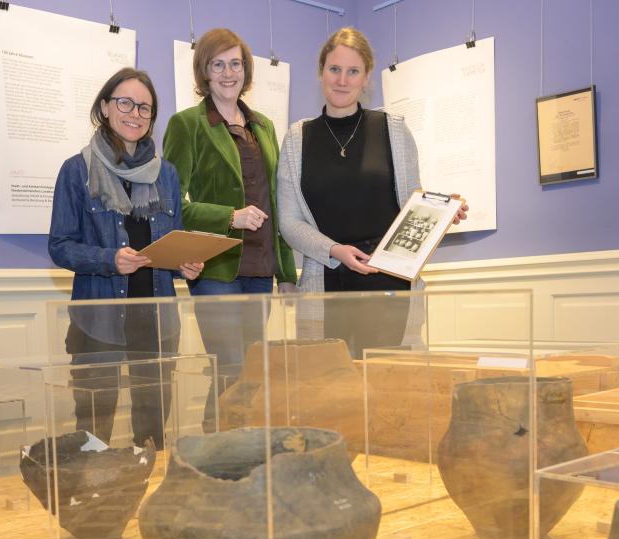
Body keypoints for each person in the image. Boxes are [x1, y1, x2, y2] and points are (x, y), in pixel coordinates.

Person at [277, 27, 466, 354]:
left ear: (366, 79)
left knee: (389, 388)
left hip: (389, 281)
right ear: (321, 72)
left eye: (353, 72)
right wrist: (336, 250)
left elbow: (413, 204)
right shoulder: (297, 139)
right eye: (334, 69)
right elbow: (289, 222)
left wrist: (444, 213)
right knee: (330, 390)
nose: (342, 80)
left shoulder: (392, 128)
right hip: (327, 278)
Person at [48, 67, 203, 449]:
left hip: (157, 322)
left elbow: (174, 239)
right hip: (98, 321)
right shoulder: (76, 170)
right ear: (104, 106)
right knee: (93, 432)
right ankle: (93, 503)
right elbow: (60, 246)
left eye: (145, 108)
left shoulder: (166, 174)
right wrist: (109, 259)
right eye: (125, 103)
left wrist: (186, 266)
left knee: (151, 436)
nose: (134, 113)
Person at [163, 27, 297, 430]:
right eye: (217, 64)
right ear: (203, 72)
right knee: (229, 368)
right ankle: (213, 453)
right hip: (216, 269)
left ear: (246, 69)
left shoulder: (264, 127)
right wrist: (229, 216)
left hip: (260, 267)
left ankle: (234, 453)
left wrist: (286, 273)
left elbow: (277, 201)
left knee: (248, 374)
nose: (227, 73)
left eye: (235, 63)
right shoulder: (187, 124)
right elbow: (171, 205)